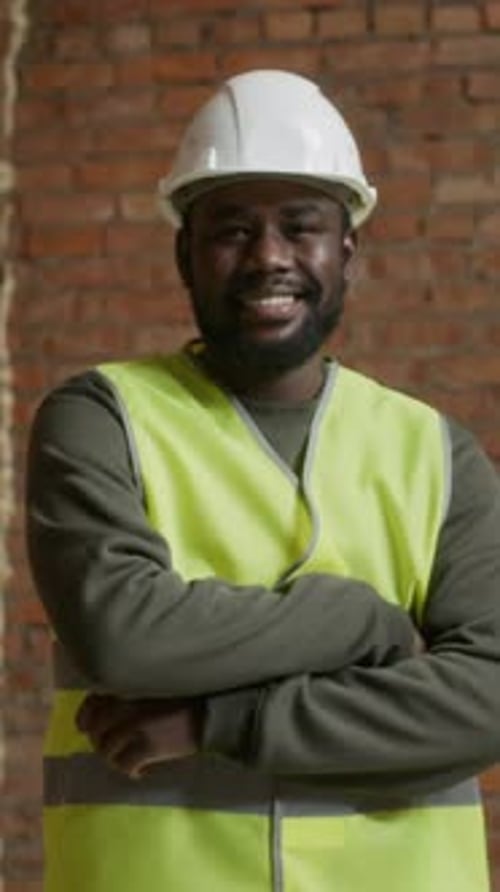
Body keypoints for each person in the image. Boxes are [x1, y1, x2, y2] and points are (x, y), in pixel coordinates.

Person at [26, 69, 500, 892]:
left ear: (346, 251)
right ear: (186, 251)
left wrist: (223, 720)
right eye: (232, 229)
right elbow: (124, 635)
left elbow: (491, 695)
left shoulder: (434, 449)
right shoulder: (100, 417)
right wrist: (359, 618)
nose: (269, 257)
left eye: (301, 225)